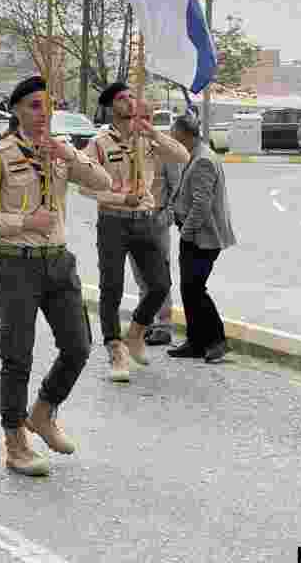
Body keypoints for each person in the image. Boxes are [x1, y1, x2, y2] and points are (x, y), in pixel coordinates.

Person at [0, 75, 112, 477]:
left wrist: (67, 152)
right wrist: (25, 220)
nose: (42, 112)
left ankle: (44, 411)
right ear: (15, 111)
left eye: (46, 105)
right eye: (33, 105)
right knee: (18, 355)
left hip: (58, 261)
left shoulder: (57, 152)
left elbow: (104, 182)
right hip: (17, 262)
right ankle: (15, 440)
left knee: (79, 345)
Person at [83, 82, 190, 383]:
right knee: (112, 287)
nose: (130, 101)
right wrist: (119, 198)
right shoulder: (100, 143)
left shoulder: (148, 139)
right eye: (122, 98)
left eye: (132, 96)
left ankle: (136, 333)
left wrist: (154, 132)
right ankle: (115, 348)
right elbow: (85, 187)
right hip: (113, 221)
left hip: (145, 220)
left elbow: (182, 156)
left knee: (160, 284)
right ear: (110, 106)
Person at [168, 115, 236, 363]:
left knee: (195, 289)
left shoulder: (203, 160)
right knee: (189, 289)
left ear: (184, 134)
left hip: (202, 237)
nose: (172, 139)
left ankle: (217, 340)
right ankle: (196, 342)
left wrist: (186, 233)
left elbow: (201, 205)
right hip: (197, 235)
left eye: (174, 134)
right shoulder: (196, 154)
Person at [130, 158, 182, 346]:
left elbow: (177, 186)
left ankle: (164, 326)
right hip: (132, 220)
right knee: (141, 277)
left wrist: (168, 214)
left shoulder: (162, 152)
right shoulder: (128, 150)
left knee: (160, 275)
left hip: (156, 220)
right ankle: (146, 323)